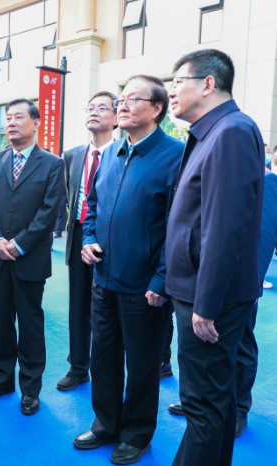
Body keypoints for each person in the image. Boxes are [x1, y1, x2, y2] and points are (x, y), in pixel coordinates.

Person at [73, 75, 183, 465]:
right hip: (104, 277)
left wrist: (162, 278)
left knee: (141, 364)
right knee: (102, 355)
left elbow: (179, 225)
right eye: (121, 99)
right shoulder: (112, 153)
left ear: (157, 108)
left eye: (133, 99)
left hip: (145, 285)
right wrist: (88, 239)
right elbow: (92, 206)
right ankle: (105, 423)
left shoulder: (175, 155)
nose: (122, 105)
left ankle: (136, 434)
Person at [165, 49, 265, 465]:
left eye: (177, 83)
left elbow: (224, 228)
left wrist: (205, 304)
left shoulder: (231, 132)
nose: (171, 92)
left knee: (203, 402)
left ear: (208, 84)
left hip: (208, 298)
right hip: (199, 289)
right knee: (212, 400)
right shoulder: (212, 132)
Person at [166, 166, 277, 439]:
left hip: (238, 286)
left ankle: (237, 409)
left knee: (240, 345)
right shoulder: (211, 172)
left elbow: (262, 241)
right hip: (202, 279)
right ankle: (200, 399)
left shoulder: (265, 180)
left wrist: (247, 287)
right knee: (201, 343)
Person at [0, 98, 64, 416]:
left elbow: (50, 210)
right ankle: (2, 380)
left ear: (36, 123)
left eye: (18, 117)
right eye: (8, 118)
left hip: (30, 258)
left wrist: (20, 243)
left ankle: (30, 389)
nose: (11, 123)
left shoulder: (52, 163)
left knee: (30, 324)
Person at [57, 91, 116, 391]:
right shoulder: (72, 155)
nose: (94, 112)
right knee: (78, 304)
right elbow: (69, 196)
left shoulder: (123, 153)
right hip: (80, 234)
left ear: (116, 117)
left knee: (109, 307)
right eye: (90, 107)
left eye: (102, 108)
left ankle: (109, 370)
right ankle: (78, 367)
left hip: (112, 238)